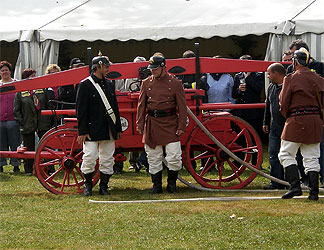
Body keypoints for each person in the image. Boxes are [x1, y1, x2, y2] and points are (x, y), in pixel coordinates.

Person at [136, 54, 187, 194]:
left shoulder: (175, 83)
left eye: (155, 68)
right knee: (153, 156)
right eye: (151, 68)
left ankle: (172, 185)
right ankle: (156, 186)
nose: (152, 71)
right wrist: (140, 124)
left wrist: (182, 126)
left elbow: (182, 106)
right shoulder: (146, 83)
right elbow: (141, 105)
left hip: (170, 122)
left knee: (174, 156)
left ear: (163, 67)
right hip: (153, 122)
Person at [278, 48, 324, 200]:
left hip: (296, 120)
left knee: (285, 154)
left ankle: (295, 187)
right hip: (315, 121)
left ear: (295, 62)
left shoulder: (290, 79)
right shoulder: (318, 78)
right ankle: (313, 193)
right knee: (312, 157)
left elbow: (283, 103)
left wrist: (287, 117)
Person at [76, 53, 122, 196]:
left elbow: (114, 107)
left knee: (107, 158)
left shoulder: (109, 84)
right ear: (99, 67)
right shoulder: (85, 84)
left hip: (108, 127)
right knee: (89, 156)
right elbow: (81, 110)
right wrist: (82, 131)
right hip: (91, 127)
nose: (108, 68)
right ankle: (88, 185)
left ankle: (104, 187)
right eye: (106, 66)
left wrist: (117, 127)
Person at [13, 68, 54, 175]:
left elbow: (48, 105)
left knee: (47, 146)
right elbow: (16, 110)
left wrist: (48, 119)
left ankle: (50, 168)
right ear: (26, 78)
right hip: (28, 124)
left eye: (35, 76)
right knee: (28, 148)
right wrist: (22, 121)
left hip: (43, 123)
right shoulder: (20, 93)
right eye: (32, 76)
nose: (34, 78)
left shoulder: (42, 89)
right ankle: (28, 170)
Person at [262, 63, 286, 189]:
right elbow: (268, 106)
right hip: (274, 126)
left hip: (287, 126)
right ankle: (276, 181)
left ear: (276, 73)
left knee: (288, 155)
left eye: (269, 73)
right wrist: (265, 122)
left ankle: (289, 181)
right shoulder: (271, 87)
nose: (267, 76)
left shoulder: (289, 86)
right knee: (273, 154)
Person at [232, 54, 265, 139]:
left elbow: (258, 89)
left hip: (253, 110)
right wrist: (239, 89)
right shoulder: (238, 76)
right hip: (241, 110)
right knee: (240, 133)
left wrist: (248, 78)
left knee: (253, 132)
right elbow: (234, 94)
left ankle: (254, 150)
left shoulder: (259, 75)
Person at [0, 61, 21, 173]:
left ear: (10, 71)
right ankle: (1, 165)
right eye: (2, 70)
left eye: (6, 70)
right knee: (0, 143)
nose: (5, 72)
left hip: (13, 119)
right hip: (0, 119)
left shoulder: (16, 83)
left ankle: (16, 165)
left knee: (15, 143)